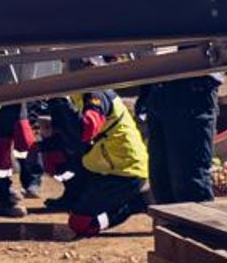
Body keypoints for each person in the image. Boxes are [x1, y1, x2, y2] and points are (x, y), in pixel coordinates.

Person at [45, 91, 149, 237]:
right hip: (100, 166)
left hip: (125, 172)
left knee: (80, 224)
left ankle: (136, 204)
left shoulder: (97, 95)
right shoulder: (77, 92)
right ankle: (72, 197)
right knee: (56, 158)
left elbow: (85, 130)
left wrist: (60, 104)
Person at [138, 74, 222, 204]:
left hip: (191, 88)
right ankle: (169, 223)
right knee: (161, 182)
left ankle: (196, 224)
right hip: (157, 86)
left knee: (189, 184)